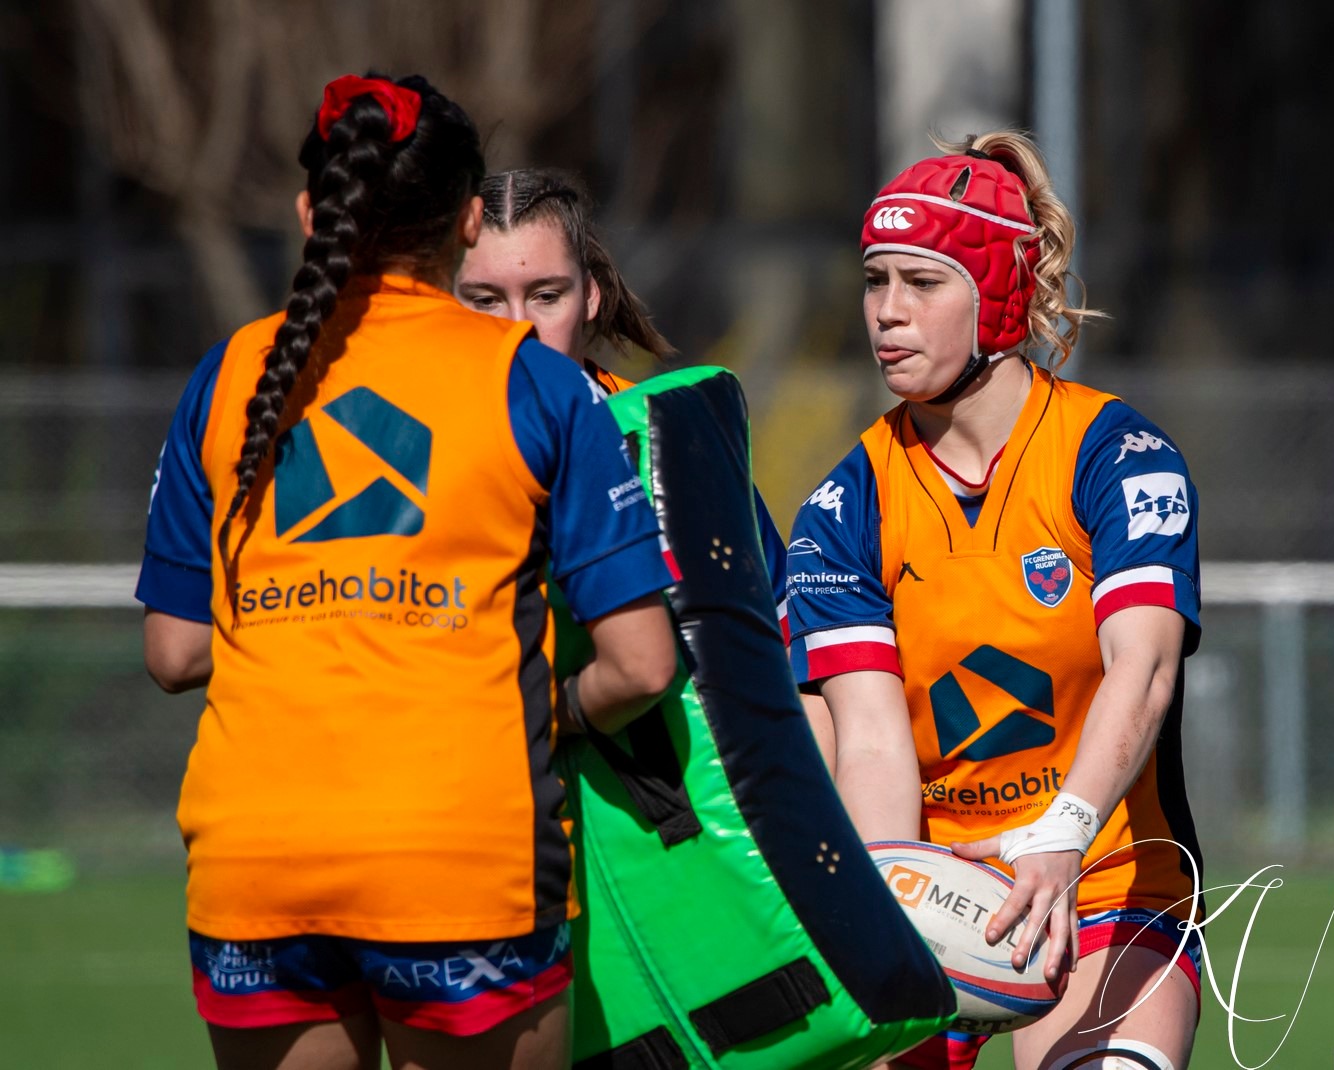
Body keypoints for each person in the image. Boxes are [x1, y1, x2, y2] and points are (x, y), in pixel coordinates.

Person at [137, 74, 677, 1070]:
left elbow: (174, 650)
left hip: (258, 864)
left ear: (312, 210)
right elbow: (643, 665)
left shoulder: (226, 374)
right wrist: (542, 704)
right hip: (463, 864)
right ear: (471, 220)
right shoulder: (538, 381)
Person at [787, 131, 1205, 1070]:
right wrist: (884, 918)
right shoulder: (844, 505)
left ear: (999, 294)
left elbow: (1142, 672)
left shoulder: (1114, 455)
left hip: (1100, 879)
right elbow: (873, 742)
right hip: (931, 901)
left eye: (921, 283)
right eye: (874, 280)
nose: (887, 313)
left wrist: (1057, 840)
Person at [455, 167, 834, 770]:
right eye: (485, 300)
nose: (517, 329)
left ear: (592, 297)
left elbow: (793, 677)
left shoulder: (677, 441)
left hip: (661, 836)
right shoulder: (408, 452)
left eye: (546, 296)